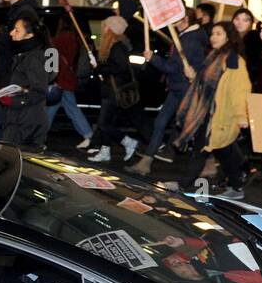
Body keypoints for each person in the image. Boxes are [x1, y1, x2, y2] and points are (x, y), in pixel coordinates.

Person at [162, 21, 250, 197]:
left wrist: (242, 116)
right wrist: (193, 76)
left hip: (222, 116)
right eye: (212, 34)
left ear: (228, 36)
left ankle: (238, 183)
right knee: (205, 150)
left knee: (223, 151)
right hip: (206, 113)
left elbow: (239, 90)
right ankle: (185, 184)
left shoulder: (233, 60)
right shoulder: (212, 57)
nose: (213, 37)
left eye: (218, 33)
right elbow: (206, 84)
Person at [130, 12, 209, 175]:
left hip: (184, 89)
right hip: (179, 87)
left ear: (186, 19)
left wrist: (153, 59)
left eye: (176, 18)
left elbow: (173, 68)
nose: (172, 21)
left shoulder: (189, 39)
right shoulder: (191, 35)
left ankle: (210, 162)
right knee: (161, 122)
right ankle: (146, 162)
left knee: (196, 128)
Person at [84, 16, 142, 163]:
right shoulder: (112, 46)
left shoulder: (117, 47)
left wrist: (101, 69)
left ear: (111, 30)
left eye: (105, 26)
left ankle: (128, 141)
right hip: (110, 89)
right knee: (107, 122)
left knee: (103, 124)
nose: (103, 29)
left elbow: (121, 68)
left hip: (114, 91)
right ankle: (105, 151)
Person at [0, 13, 51, 150]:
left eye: (17, 30)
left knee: (15, 161)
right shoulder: (23, 55)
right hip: (20, 119)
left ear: (29, 35)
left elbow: (40, 91)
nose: (11, 33)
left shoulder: (34, 58)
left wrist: (13, 101)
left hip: (27, 123)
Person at [46, 19, 93, 148]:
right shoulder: (75, 39)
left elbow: (51, 55)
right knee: (65, 108)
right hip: (68, 79)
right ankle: (88, 135)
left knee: (54, 108)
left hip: (60, 80)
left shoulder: (60, 39)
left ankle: (38, 136)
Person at [232, 7, 262, 94]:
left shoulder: (255, 37)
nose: (240, 23)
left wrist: (259, 23)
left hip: (250, 83)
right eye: (237, 19)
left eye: (245, 20)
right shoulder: (228, 38)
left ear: (251, 23)